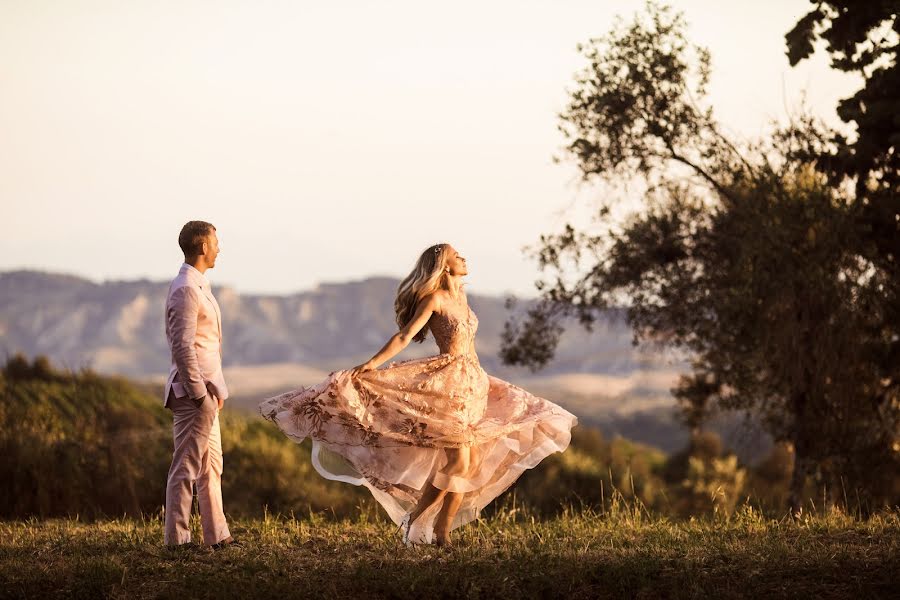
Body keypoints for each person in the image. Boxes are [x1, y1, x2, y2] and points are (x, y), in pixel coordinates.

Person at [260, 243, 576, 547]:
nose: (463, 257)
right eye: (456, 254)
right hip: (447, 384)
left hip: (472, 383)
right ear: (443, 264)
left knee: (470, 461)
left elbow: (470, 345)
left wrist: (480, 381)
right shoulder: (435, 300)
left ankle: (441, 532)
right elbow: (405, 335)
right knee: (458, 460)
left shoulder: (463, 298)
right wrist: (371, 363)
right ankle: (417, 521)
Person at [163, 220, 240, 550]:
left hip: (209, 393)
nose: (219, 248)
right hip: (194, 394)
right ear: (202, 246)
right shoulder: (185, 289)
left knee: (211, 466)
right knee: (186, 466)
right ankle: (177, 541)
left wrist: (215, 392)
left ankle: (217, 536)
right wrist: (199, 395)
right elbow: (182, 346)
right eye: (216, 242)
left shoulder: (198, 285)